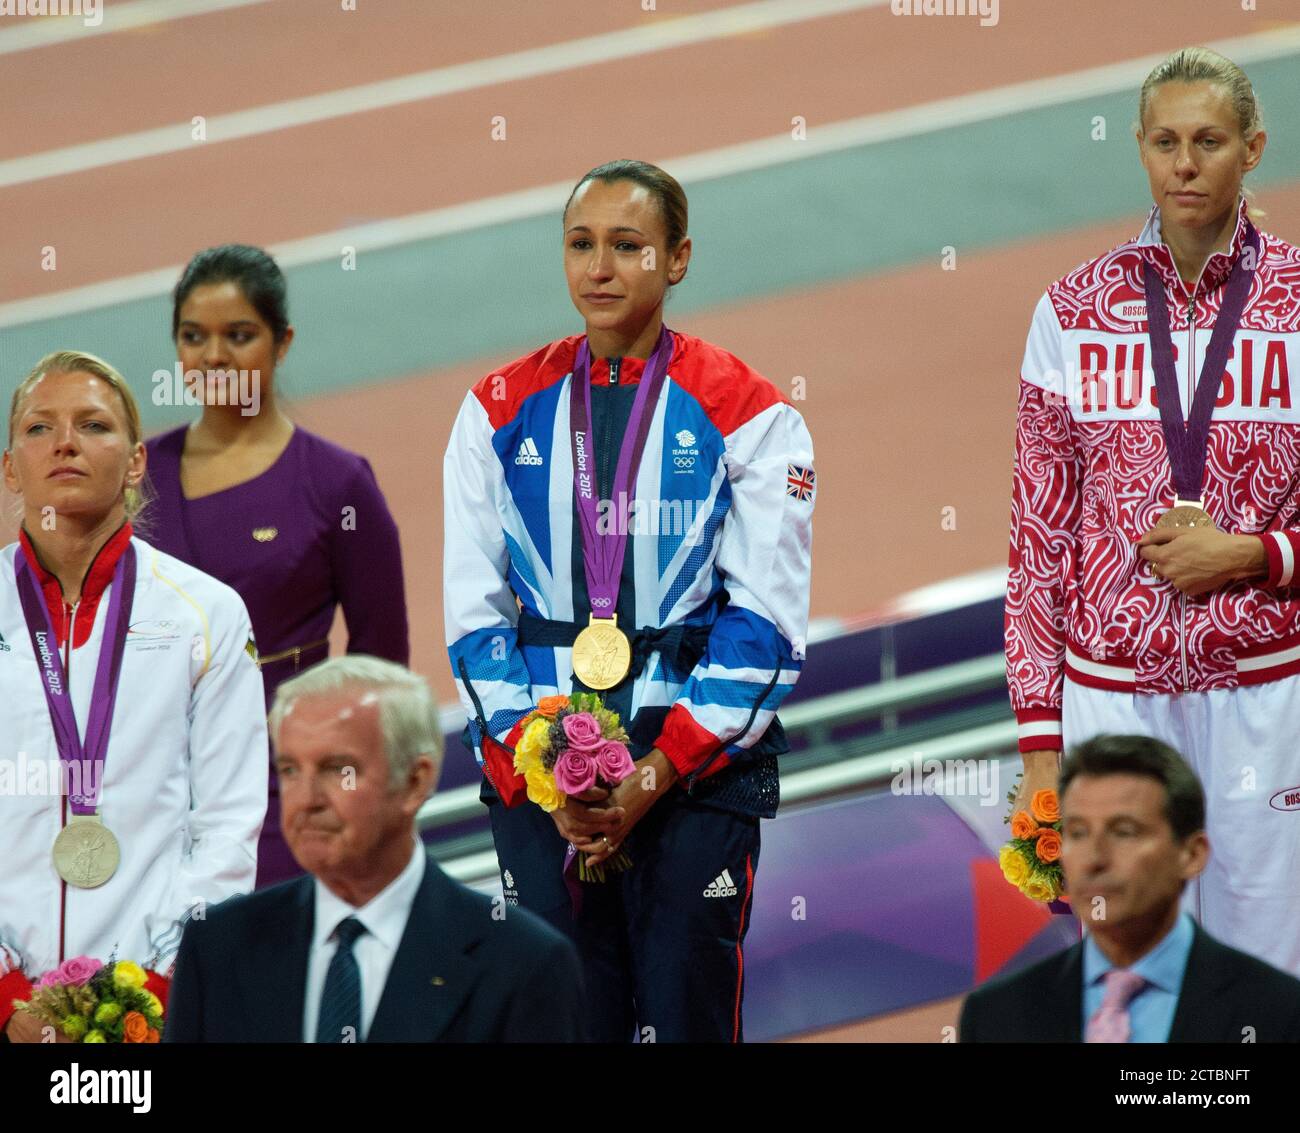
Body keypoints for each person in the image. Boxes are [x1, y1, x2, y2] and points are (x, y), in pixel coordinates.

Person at [442, 160, 815, 1042]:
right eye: (580, 244)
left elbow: (764, 625)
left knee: (686, 1020)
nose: (599, 267)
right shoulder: (494, 410)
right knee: (566, 1023)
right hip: (540, 781)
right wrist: (544, 768)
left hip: (694, 781)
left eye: (626, 246)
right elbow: (474, 617)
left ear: (677, 259)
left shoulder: (752, 414)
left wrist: (656, 771)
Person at [1005, 47, 1300, 974]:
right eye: (1165, 141)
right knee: (1128, 965)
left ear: (1252, 149)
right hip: (1111, 698)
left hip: (1266, 693)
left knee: (1265, 963)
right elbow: (1037, 540)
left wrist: (1252, 555)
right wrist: (1041, 744)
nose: (1184, 163)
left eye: (1208, 141)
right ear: (1138, 148)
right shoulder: (1073, 310)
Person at [0, 351, 266, 1043]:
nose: (64, 442)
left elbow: (228, 824)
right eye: (38, 428)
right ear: (8, 469)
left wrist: (152, 993)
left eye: (92, 424)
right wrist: (7, 1000)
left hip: (154, 1012)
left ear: (138, 462)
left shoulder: (205, 613)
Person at [144, 245, 409, 888]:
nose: (213, 357)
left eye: (239, 336)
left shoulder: (336, 482)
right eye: (193, 337)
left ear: (281, 341)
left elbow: (381, 663)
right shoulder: (137, 475)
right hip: (153, 777)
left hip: (283, 785)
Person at [165, 656, 586, 1043]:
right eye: (290, 770)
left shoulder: (523, 964)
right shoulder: (217, 947)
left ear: (415, 782)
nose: (305, 799)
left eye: (338, 770)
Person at [961, 735, 1300, 1042]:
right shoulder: (994, 1018)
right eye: (1077, 833)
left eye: (1124, 832)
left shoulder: (1278, 1011)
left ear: (1192, 854)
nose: (1094, 859)